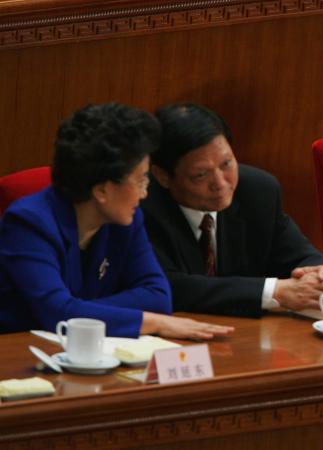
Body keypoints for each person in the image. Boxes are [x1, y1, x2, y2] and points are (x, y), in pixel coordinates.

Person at [0, 103, 233, 339]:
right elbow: (57, 314)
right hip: (20, 356)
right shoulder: (28, 224)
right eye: (141, 180)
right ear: (102, 190)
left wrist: (77, 309)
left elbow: (158, 296)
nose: (144, 193)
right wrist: (154, 323)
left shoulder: (125, 220)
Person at [141, 103, 323, 317]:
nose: (221, 184)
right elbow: (171, 286)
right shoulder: (141, 205)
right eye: (201, 175)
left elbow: (305, 257)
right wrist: (274, 292)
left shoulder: (258, 191)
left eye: (227, 164)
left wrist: (319, 276)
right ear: (162, 176)